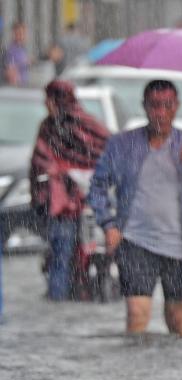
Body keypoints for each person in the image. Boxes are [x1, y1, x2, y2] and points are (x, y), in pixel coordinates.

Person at [88, 79, 182, 336]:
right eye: (155, 105)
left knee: (177, 320)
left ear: (177, 107)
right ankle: (135, 372)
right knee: (137, 314)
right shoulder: (123, 145)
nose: (161, 112)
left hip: (180, 247)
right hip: (135, 242)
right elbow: (98, 186)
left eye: (167, 106)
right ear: (144, 107)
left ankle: (176, 373)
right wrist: (109, 225)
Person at [29, 80, 110, 301]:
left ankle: (70, 296)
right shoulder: (50, 127)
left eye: (49, 98)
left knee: (73, 257)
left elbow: (109, 154)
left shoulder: (84, 125)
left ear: (57, 100)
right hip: (63, 205)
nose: (45, 103)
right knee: (61, 256)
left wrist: (70, 171)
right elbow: (40, 162)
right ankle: (62, 298)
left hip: (86, 205)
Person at [3, 21, 30, 86]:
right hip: (16, 87)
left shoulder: (22, 49)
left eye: (24, 33)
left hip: (22, 85)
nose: (22, 36)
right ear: (14, 34)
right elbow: (10, 70)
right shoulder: (11, 50)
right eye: (19, 33)